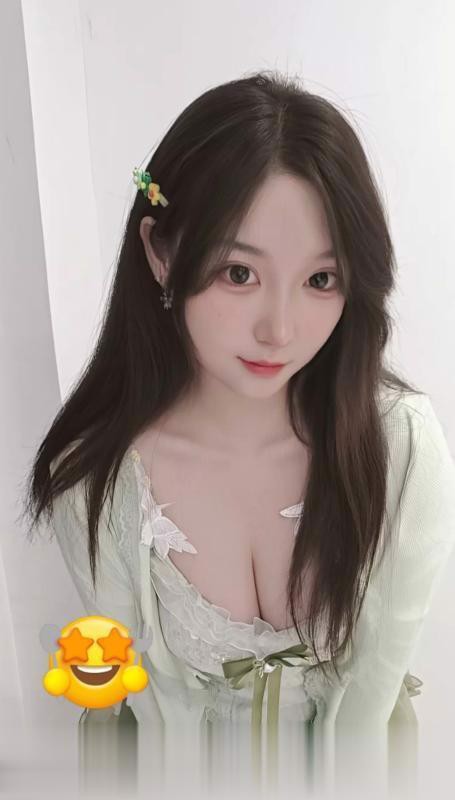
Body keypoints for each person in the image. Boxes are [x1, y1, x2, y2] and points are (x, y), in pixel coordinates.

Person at [22, 70, 455, 799]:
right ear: (161, 253)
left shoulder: (400, 448)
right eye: (238, 272)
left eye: (321, 280)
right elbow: (123, 714)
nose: (279, 330)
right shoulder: (99, 479)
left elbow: (371, 707)